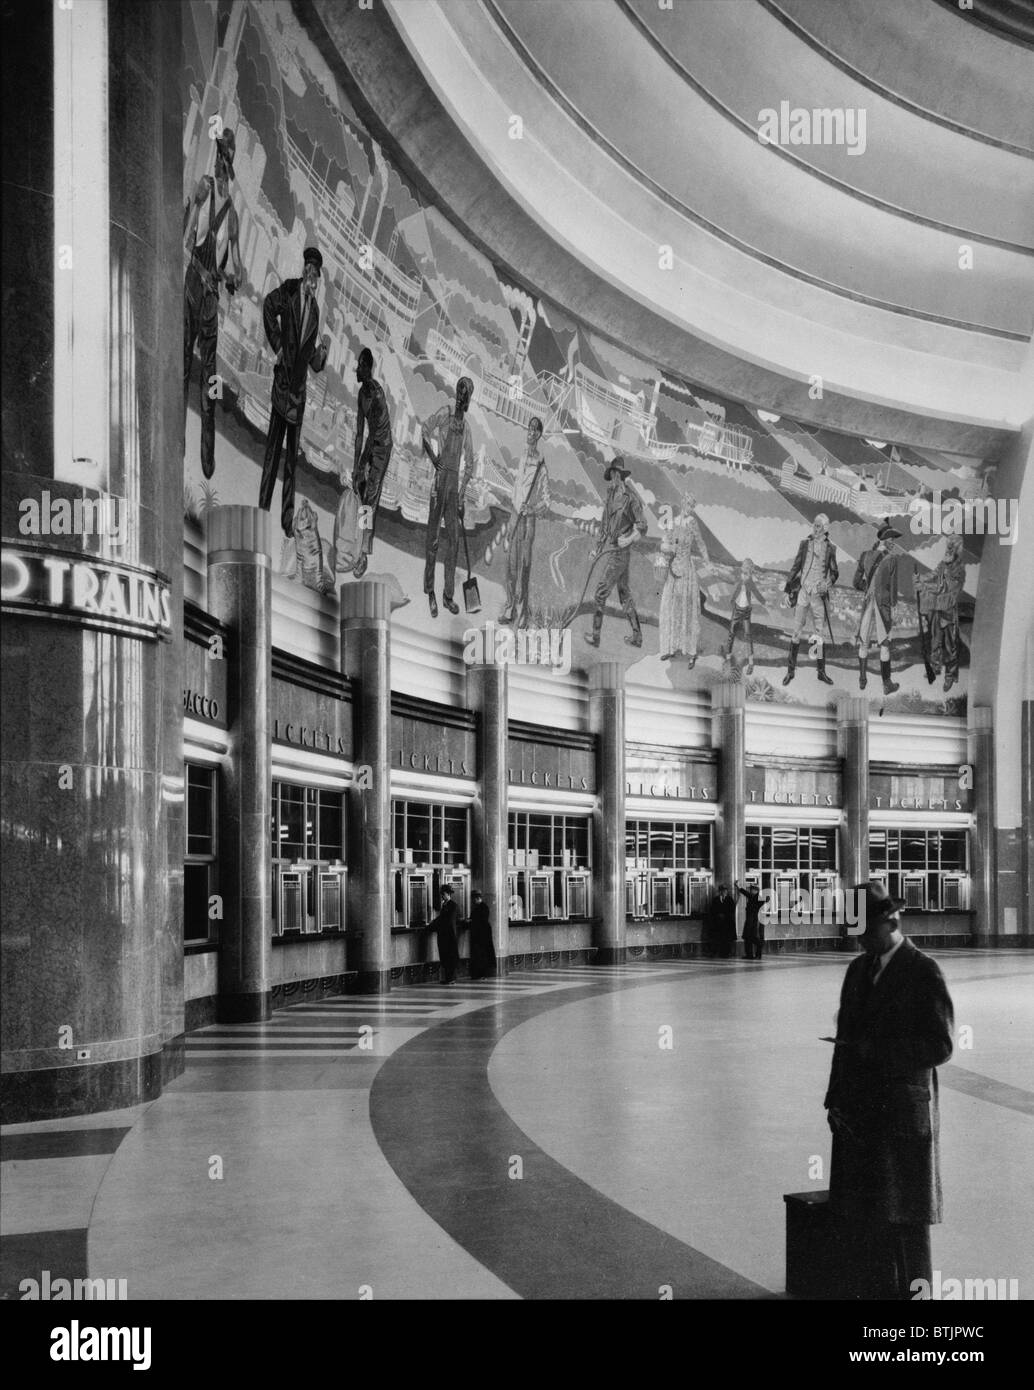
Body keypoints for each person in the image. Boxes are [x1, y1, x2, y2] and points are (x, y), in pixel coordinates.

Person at [824, 881, 954, 1300]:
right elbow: (843, 1040)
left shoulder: (923, 970)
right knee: (866, 1216)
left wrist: (880, 1052)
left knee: (906, 1219)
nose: (860, 940)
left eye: (865, 931)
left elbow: (941, 1044)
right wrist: (834, 1100)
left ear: (890, 921)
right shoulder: (858, 970)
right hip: (859, 1113)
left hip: (900, 1112)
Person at [257, 247, 330, 537]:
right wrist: (276, 346)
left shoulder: (315, 311)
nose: (313, 279)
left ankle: (287, 522)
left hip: (298, 396)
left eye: (317, 276)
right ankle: (262, 511)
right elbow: (266, 306)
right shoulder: (288, 291)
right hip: (282, 387)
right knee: (272, 454)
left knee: (291, 463)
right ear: (305, 272)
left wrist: (324, 349)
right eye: (311, 272)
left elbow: (314, 364)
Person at [183, 126, 243, 480]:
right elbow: (188, 237)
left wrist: (233, 280)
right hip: (192, 287)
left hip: (210, 301)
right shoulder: (204, 189)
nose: (223, 166)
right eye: (222, 158)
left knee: (210, 381)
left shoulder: (233, 215)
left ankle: (208, 458)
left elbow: (237, 268)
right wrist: (205, 273)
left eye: (228, 161)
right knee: (182, 368)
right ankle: (176, 443)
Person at [421, 377, 477, 618]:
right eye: (460, 391)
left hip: (454, 488)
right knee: (433, 539)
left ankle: (448, 596)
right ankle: (430, 591)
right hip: (439, 482)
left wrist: (462, 493)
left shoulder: (467, 428)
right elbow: (425, 429)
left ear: (469, 399)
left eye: (466, 394)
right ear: (456, 393)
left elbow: (471, 463)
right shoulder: (445, 413)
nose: (462, 397)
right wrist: (433, 458)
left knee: (453, 542)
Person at [585, 458, 648, 648]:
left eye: (614, 474)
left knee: (600, 593)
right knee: (624, 594)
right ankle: (637, 636)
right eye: (611, 474)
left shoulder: (630, 499)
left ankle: (596, 637)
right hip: (612, 550)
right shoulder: (610, 494)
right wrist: (597, 548)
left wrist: (628, 539)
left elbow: (643, 526)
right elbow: (605, 526)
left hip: (620, 554)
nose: (612, 477)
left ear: (620, 475)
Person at [501, 417, 550, 628]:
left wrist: (532, 508)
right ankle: (510, 608)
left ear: (539, 435)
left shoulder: (540, 465)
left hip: (528, 522)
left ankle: (522, 613)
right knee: (510, 567)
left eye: (534, 430)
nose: (530, 432)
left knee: (524, 568)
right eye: (528, 428)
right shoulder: (521, 457)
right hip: (515, 517)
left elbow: (547, 501)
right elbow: (516, 489)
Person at [351, 346, 394, 579]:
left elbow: (371, 436)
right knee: (360, 489)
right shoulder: (361, 394)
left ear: (367, 369)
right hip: (370, 444)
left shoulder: (377, 395)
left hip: (381, 449)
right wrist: (354, 465)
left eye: (360, 365)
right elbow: (359, 433)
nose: (356, 369)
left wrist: (361, 466)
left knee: (370, 498)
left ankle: (364, 551)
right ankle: (359, 536)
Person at [783, 514, 838, 686]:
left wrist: (827, 583)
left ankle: (820, 672)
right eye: (814, 525)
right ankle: (790, 671)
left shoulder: (831, 548)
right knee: (796, 632)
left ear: (825, 529)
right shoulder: (804, 544)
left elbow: (835, 573)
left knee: (818, 635)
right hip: (803, 593)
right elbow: (795, 567)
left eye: (819, 526)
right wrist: (787, 590)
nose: (815, 528)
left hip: (818, 597)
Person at [658, 494, 710, 665]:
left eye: (692, 506)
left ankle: (691, 651)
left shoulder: (692, 522)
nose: (690, 508)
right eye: (688, 504)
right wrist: (669, 547)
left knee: (687, 609)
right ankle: (670, 648)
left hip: (687, 570)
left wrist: (707, 561)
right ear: (682, 503)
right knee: (671, 606)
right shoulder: (673, 521)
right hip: (673, 569)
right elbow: (663, 543)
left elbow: (701, 543)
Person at [854, 521, 902, 694]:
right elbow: (893, 590)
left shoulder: (865, 555)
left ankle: (862, 679)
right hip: (883, 606)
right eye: (892, 539)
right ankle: (886, 683)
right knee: (884, 645)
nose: (894, 543)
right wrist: (893, 607)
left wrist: (867, 588)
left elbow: (856, 582)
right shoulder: (892, 559)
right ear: (885, 540)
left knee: (863, 642)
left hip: (868, 602)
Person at [915, 537, 965, 693]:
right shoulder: (944, 563)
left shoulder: (958, 570)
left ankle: (950, 676)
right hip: (937, 609)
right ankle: (935, 667)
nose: (948, 549)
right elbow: (934, 574)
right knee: (935, 642)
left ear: (957, 550)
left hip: (949, 612)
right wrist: (920, 579)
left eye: (952, 547)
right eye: (948, 546)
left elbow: (944, 588)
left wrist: (924, 586)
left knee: (950, 647)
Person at [723, 557, 766, 674]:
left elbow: (756, 593)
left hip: (746, 611)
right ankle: (727, 659)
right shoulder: (740, 579)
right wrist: (732, 601)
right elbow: (735, 588)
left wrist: (764, 602)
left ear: (750, 571)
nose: (744, 573)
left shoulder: (750, 582)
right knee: (731, 633)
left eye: (747, 570)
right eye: (743, 569)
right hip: (737, 610)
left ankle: (751, 663)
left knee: (748, 636)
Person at [430, 884, 460, 985]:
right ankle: (448, 978)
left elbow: (447, 920)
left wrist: (435, 923)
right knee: (445, 956)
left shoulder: (453, 905)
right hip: (444, 936)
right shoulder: (445, 905)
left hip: (449, 936)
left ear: (448, 894)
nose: (442, 896)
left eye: (443, 894)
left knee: (450, 956)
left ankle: (450, 978)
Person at [736, 878, 770, 959]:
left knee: (751, 937)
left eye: (752, 889)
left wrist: (764, 896)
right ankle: (751, 954)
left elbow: (767, 898)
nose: (750, 891)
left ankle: (757, 951)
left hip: (753, 921)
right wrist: (738, 887)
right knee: (748, 937)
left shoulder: (757, 897)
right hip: (750, 920)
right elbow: (746, 893)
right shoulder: (753, 897)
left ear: (755, 891)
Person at [468, 889, 497, 980]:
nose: (472, 901)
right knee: (481, 955)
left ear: (477, 898)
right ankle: (479, 974)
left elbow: (479, 921)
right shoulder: (482, 907)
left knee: (481, 955)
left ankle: (481, 974)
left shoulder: (482, 908)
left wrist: (470, 921)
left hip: (481, 936)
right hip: (481, 935)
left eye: (473, 899)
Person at [707, 883, 737, 959]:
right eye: (722, 891)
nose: (724, 892)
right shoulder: (716, 899)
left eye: (725, 891)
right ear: (719, 891)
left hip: (727, 922)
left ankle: (726, 953)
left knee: (727, 939)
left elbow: (732, 909)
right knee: (718, 938)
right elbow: (712, 910)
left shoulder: (729, 899)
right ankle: (716, 952)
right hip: (718, 922)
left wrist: (725, 915)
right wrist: (718, 915)